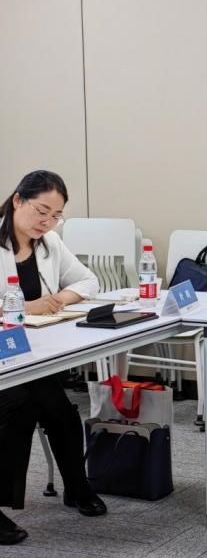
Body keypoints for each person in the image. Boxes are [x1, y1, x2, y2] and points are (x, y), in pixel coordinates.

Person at [0, 170, 106, 546]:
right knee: (19, 406)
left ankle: (77, 487)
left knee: (61, 410)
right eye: (41, 211)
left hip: (30, 354)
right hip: (3, 359)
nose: (47, 222)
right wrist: (27, 307)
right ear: (18, 200)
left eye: (56, 215)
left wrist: (59, 298)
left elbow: (89, 281)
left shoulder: (49, 243)